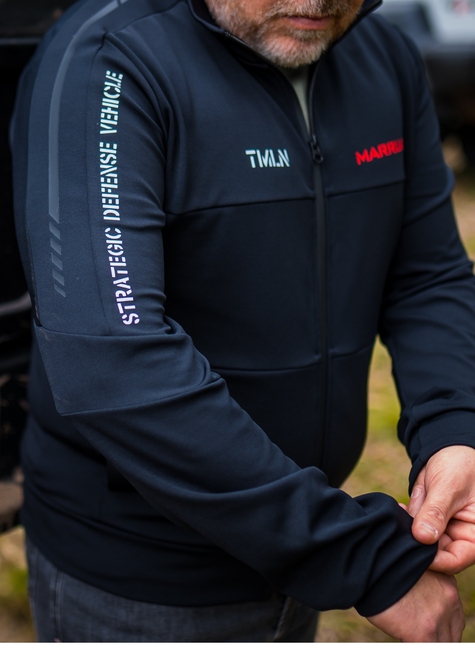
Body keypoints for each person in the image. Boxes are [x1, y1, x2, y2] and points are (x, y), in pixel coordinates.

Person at [10, 0, 475, 642]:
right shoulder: (109, 62)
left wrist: (453, 430)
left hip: (302, 551)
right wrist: (355, 557)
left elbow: (428, 274)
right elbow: (113, 358)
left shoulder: (384, 55)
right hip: (143, 579)